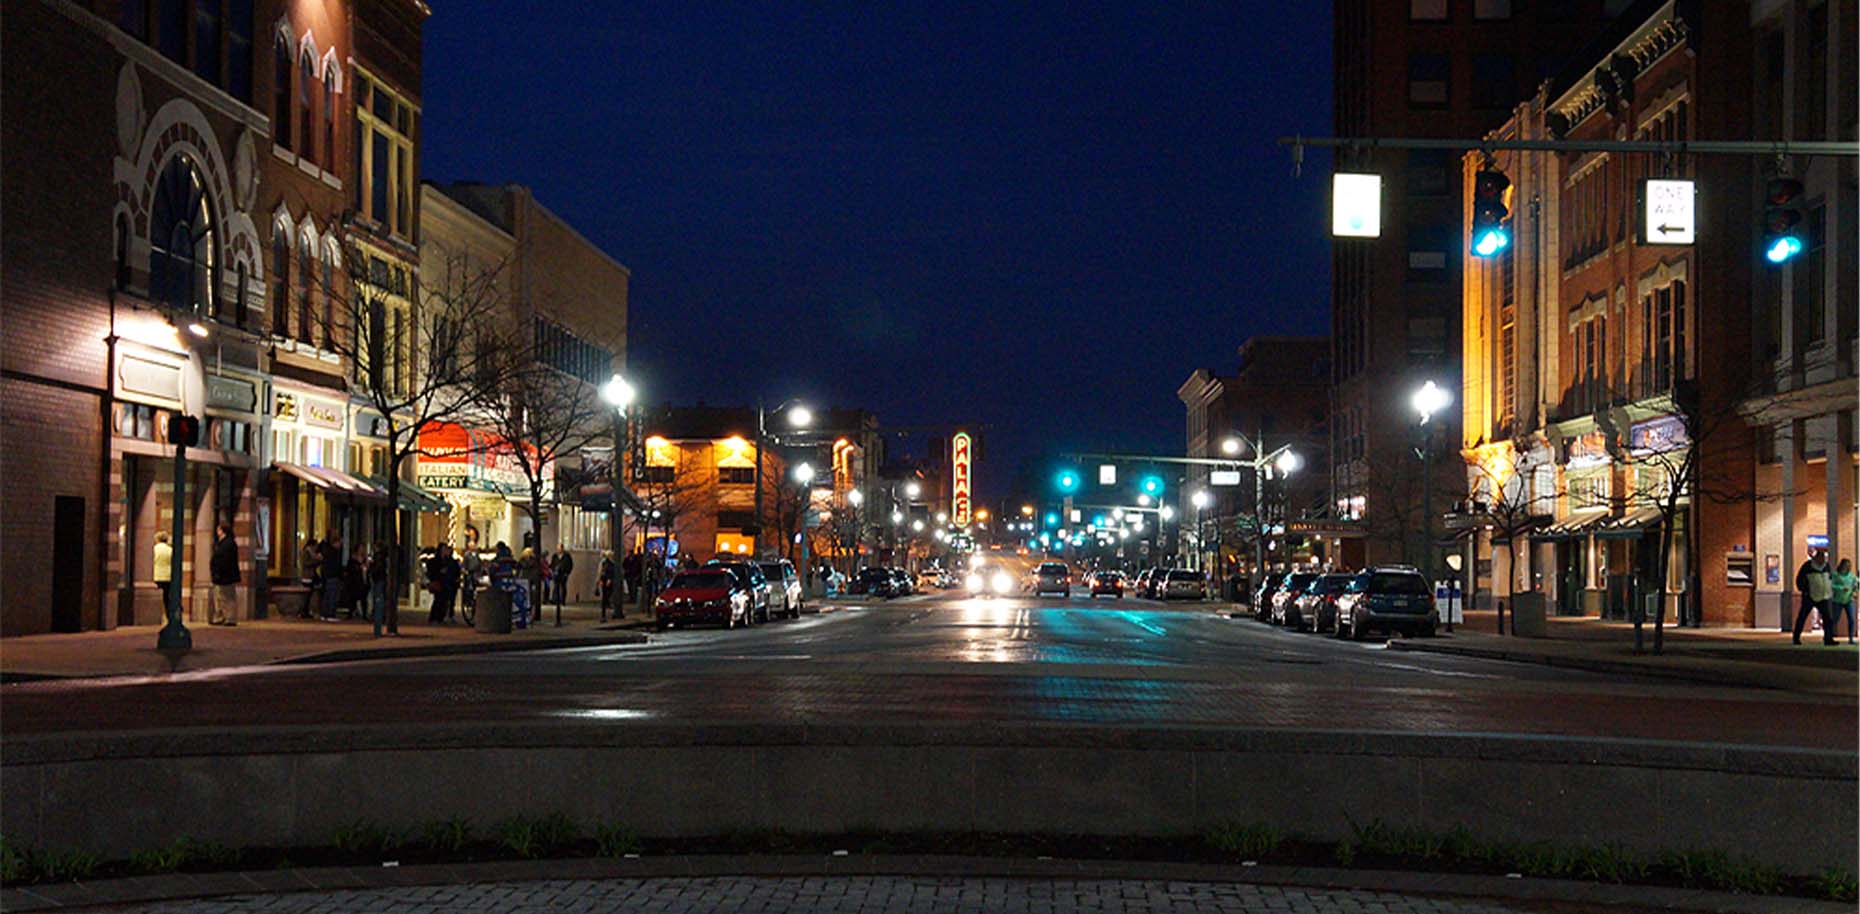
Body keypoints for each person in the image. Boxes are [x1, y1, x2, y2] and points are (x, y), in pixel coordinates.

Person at [1793, 548, 1836, 645]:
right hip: (1810, 597)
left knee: (1828, 619)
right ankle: (1796, 637)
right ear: (1816, 558)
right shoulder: (1807, 566)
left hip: (1824, 596)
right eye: (1821, 558)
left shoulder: (1826, 567)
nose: (1823, 560)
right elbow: (1799, 580)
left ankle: (1828, 638)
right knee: (1802, 617)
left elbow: (1830, 578)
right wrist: (1805, 590)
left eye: (1824, 558)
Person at [208, 524, 240, 626]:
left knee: (227, 597)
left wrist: (218, 572)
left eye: (219, 530)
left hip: (225, 576)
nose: (217, 532)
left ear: (222, 531)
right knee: (219, 597)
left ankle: (229, 618)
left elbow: (224, 560)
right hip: (222, 575)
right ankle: (221, 616)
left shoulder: (228, 544)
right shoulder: (224, 543)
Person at [427, 543, 461, 624]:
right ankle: (435, 617)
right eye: (444, 549)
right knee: (438, 600)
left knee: (445, 600)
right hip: (439, 582)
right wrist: (439, 573)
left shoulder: (450, 561)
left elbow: (456, 570)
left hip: (448, 583)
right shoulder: (435, 560)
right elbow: (432, 571)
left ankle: (440, 617)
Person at [368, 540, 396, 636]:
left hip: (379, 581)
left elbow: (377, 569)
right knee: (381, 603)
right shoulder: (385, 558)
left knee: (379, 604)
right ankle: (379, 628)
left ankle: (377, 630)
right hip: (381, 581)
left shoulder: (378, 557)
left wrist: (371, 569)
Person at [318, 532, 345, 621]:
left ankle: (324, 613)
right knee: (332, 595)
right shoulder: (333, 553)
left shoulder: (327, 551)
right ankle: (330, 614)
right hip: (333, 575)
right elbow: (335, 565)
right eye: (340, 543)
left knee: (328, 595)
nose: (341, 545)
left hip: (328, 575)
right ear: (335, 543)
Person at [1830, 558, 1857, 645]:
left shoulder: (1852, 576)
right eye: (1846, 565)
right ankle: (1829, 635)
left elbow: (1855, 585)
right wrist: (1841, 588)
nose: (1848, 567)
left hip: (1849, 600)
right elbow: (1831, 585)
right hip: (1837, 600)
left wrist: (1854, 592)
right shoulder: (1836, 575)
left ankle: (1851, 638)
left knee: (1851, 619)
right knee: (1835, 618)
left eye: (1849, 565)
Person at [298, 538, 322, 618]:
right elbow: (306, 563)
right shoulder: (306, 552)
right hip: (307, 576)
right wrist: (317, 562)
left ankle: (306, 611)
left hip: (311, 576)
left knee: (309, 595)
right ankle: (304, 611)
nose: (316, 548)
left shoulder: (311, 553)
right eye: (315, 546)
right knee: (307, 595)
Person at [152, 531, 175, 613]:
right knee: (167, 597)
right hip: (168, 576)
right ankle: (168, 614)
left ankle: (156, 613)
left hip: (156, 575)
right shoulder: (170, 550)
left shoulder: (154, 549)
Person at [461, 543, 483, 621]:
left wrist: (481, 571)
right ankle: (469, 601)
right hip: (470, 574)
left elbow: (480, 564)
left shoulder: (477, 555)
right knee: (469, 588)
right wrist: (465, 572)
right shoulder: (467, 555)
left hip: (476, 575)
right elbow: (464, 565)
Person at [598, 551, 618, 620]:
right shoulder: (610, 564)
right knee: (606, 595)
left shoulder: (605, 563)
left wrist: (600, 580)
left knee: (605, 596)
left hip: (605, 581)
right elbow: (609, 572)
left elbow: (602, 572)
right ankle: (605, 612)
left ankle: (604, 613)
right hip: (606, 581)